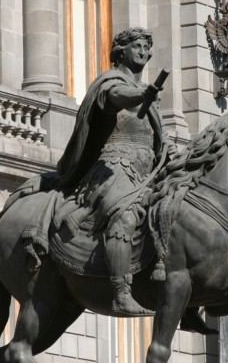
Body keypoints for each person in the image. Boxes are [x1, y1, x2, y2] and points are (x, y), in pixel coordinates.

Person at [56, 27, 175, 313]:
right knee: (124, 215)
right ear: (121, 51)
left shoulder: (149, 98)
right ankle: (121, 292)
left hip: (148, 170)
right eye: (138, 46)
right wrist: (141, 94)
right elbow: (116, 98)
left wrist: (167, 149)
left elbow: (154, 136)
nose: (145, 52)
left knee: (181, 210)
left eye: (148, 47)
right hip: (114, 165)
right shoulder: (110, 83)